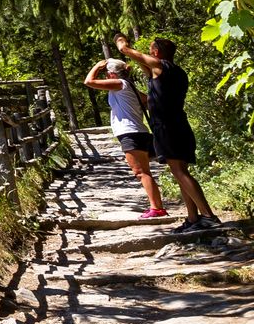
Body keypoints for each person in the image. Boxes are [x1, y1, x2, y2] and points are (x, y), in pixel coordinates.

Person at [116, 33, 220, 230]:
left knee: (179, 171)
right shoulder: (175, 72)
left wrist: (120, 40)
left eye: (150, 50)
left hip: (167, 127)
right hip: (178, 124)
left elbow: (125, 50)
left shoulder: (160, 66)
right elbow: (145, 68)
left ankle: (208, 216)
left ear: (156, 52)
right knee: (180, 171)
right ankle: (193, 219)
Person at [85, 55, 167, 219]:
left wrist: (97, 66)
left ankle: (157, 208)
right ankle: (157, 207)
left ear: (111, 74)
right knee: (144, 172)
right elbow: (148, 100)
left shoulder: (119, 84)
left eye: (106, 74)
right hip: (139, 131)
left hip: (130, 133)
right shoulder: (129, 86)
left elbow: (88, 81)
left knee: (141, 172)